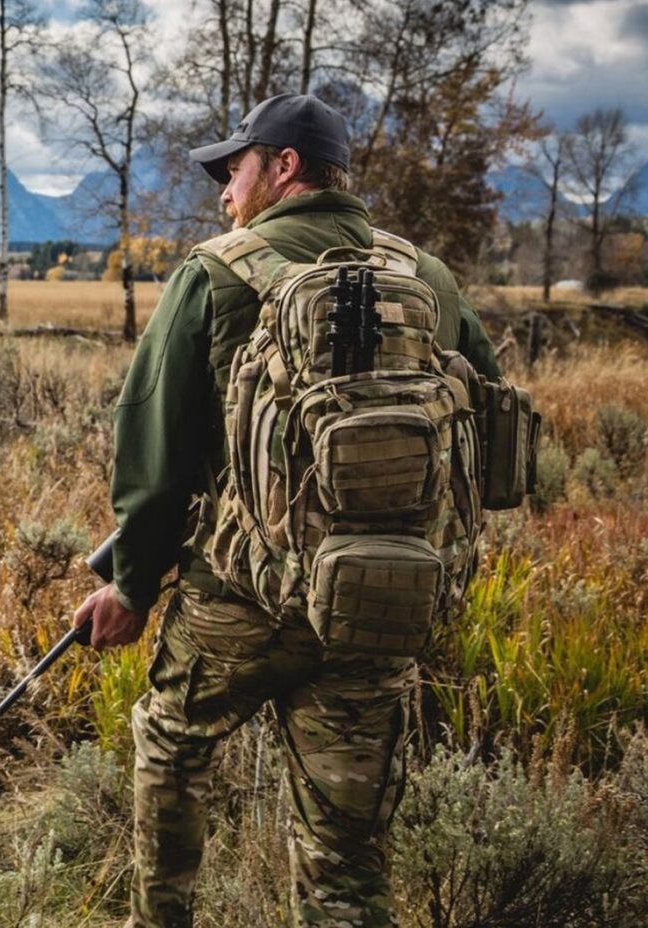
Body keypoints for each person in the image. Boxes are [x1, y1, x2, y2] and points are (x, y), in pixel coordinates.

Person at [73, 93, 500, 928]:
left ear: (283, 166)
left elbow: (153, 460)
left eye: (233, 170)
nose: (225, 194)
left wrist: (131, 586)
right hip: (378, 601)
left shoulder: (215, 270)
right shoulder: (427, 276)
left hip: (244, 599)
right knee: (345, 856)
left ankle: (159, 919)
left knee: (171, 739)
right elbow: (493, 435)